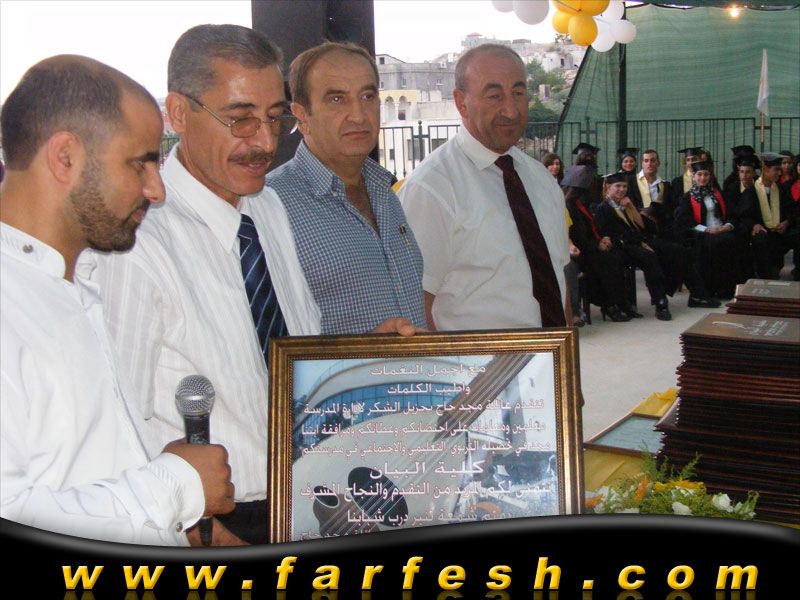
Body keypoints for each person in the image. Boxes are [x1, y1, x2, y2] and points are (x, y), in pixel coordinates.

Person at [79, 25, 323, 545]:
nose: (264, 141)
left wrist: (366, 355)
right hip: (218, 523)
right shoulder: (136, 240)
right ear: (178, 112)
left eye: (274, 118)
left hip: (307, 501)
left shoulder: (268, 208)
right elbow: (118, 420)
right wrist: (199, 532)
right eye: (240, 119)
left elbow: (293, 350)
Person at [1, 55, 236, 545]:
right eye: (141, 162)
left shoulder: (72, 281)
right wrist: (174, 484)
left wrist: (166, 477)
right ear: (65, 157)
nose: (157, 189)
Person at [398, 44, 569, 331]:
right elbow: (415, 304)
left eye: (518, 93)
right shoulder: (431, 189)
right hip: (474, 361)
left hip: (551, 356)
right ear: (461, 102)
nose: (511, 110)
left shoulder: (540, 178)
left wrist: (567, 350)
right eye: (494, 96)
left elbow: (558, 278)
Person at [264, 41, 426, 335]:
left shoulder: (383, 191)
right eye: (337, 99)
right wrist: (361, 354)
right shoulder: (270, 205)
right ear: (302, 115)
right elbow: (263, 341)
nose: (359, 115)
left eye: (367, 96)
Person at [594, 172, 719, 321]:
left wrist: (631, 207)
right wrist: (639, 243)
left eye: (624, 186)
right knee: (650, 257)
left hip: (641, 240)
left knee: (680, 251)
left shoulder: (625, 203)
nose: (622, 190)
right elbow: (611, 234)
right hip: (624, 246)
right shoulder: (603, 208)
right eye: (618, 186)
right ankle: (660, 302)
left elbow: (641, 226)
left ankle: (697, 295)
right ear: (608, 187)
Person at [561, 166, 635, 322]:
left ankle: (620, 303)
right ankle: (609, 305)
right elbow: (578, 236)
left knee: (614, 258)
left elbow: (591, 229)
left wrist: (602, 238)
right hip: (578, 252)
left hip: (588, 246)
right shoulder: (569, 206)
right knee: (606, 262)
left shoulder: (581, 203)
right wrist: (597, 245)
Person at [674, 160, 741, 299]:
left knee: (731, 241)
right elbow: (685, 221)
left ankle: (726, 290)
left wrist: (726, 227)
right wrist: (707, 230)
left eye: (706, 174)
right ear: (694, 176)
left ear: (710, 176)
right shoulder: (688, 197)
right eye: (699, 174)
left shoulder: (718, 194)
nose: (703, 178)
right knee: (712, 244)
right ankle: (709, 289)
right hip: (701, 233)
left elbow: (732, 214)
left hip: (721, 230)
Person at [743, 152, 799, 279]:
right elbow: (744, 215)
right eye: (776, 170)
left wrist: (786, 222)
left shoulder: (780, 189)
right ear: (765, 169)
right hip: (762, 231)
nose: (780, 173)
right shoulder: (752, 191)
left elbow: (792, 210)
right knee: (760, 238)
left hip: (780, 229)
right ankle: (765, 273)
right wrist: (754, 224)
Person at [627, 149, 677, 239]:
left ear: (658, 163)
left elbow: (671, 208)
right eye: (646, 161)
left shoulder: (665, 185)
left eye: (652, 160)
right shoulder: (630, 181)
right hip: (638, 229)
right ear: (642, 163)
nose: (649, 164)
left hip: (661, 231)